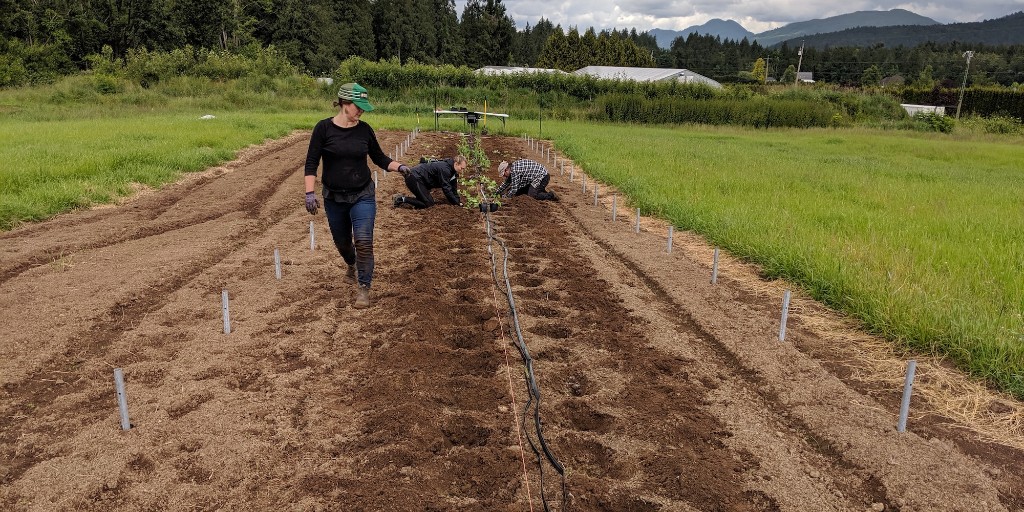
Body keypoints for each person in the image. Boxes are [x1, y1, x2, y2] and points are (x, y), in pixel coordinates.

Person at [303, 82, 411, 309]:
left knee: (363, 241)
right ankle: (351, 264)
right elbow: (312, 163)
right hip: (334, 198)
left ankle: (364, 288)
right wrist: (309, 193)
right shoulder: (323, 129)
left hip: (363, 194)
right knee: (343, 244)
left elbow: (379, 158)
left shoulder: (365, 130)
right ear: (344, 104)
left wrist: (400, 167)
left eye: (363, 107)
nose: (361, 111)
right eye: (357, 106)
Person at [392, 155, 467, 209]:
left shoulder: (453, 172)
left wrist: (458, 202)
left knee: (426, 200)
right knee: (428, 203)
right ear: (456, 164)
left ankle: (418, 200)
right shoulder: (445, 170)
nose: (462, 171)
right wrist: (456, 203)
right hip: (414, 178)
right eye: (462, 168)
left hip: (421, 180)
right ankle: (400, 199)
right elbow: (446, 189)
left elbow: (453, 188)